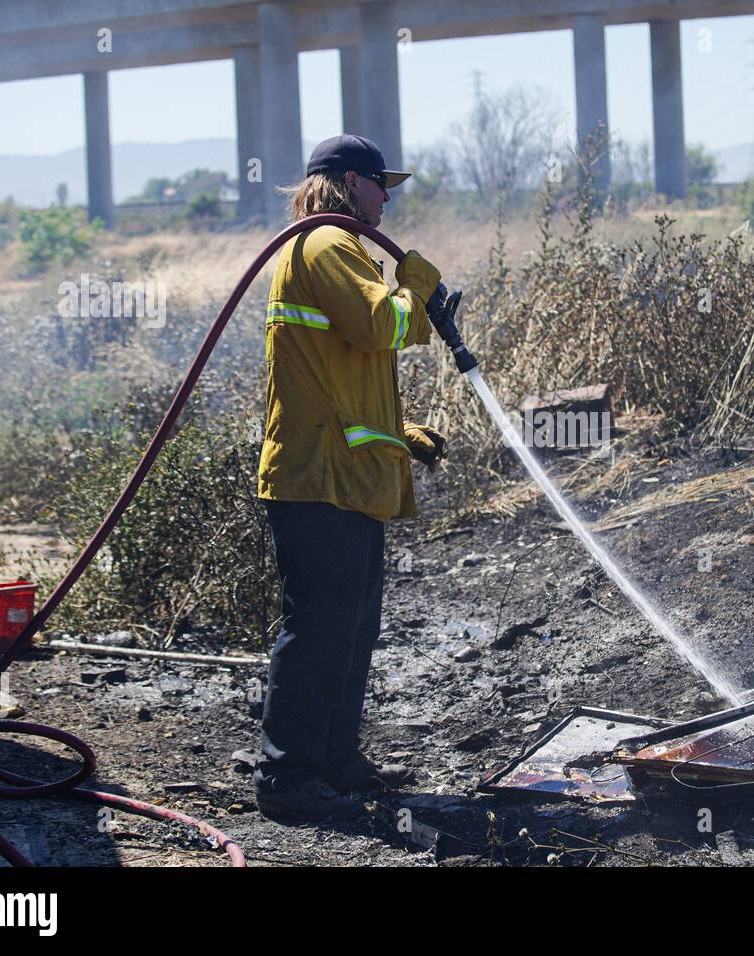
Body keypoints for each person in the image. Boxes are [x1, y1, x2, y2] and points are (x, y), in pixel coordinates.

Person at [252, 133, 452, 822]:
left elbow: (340, 376)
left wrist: (400, 434)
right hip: (318, 484)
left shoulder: (329, 250)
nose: (388, 196)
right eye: (378, 181)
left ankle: (335, 762)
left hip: (343, 477)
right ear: (345, 182)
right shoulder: (326, 247)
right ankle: (286, 780)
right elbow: (379, 324)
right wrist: (417, 285)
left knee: (349, 631)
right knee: (318, 633)